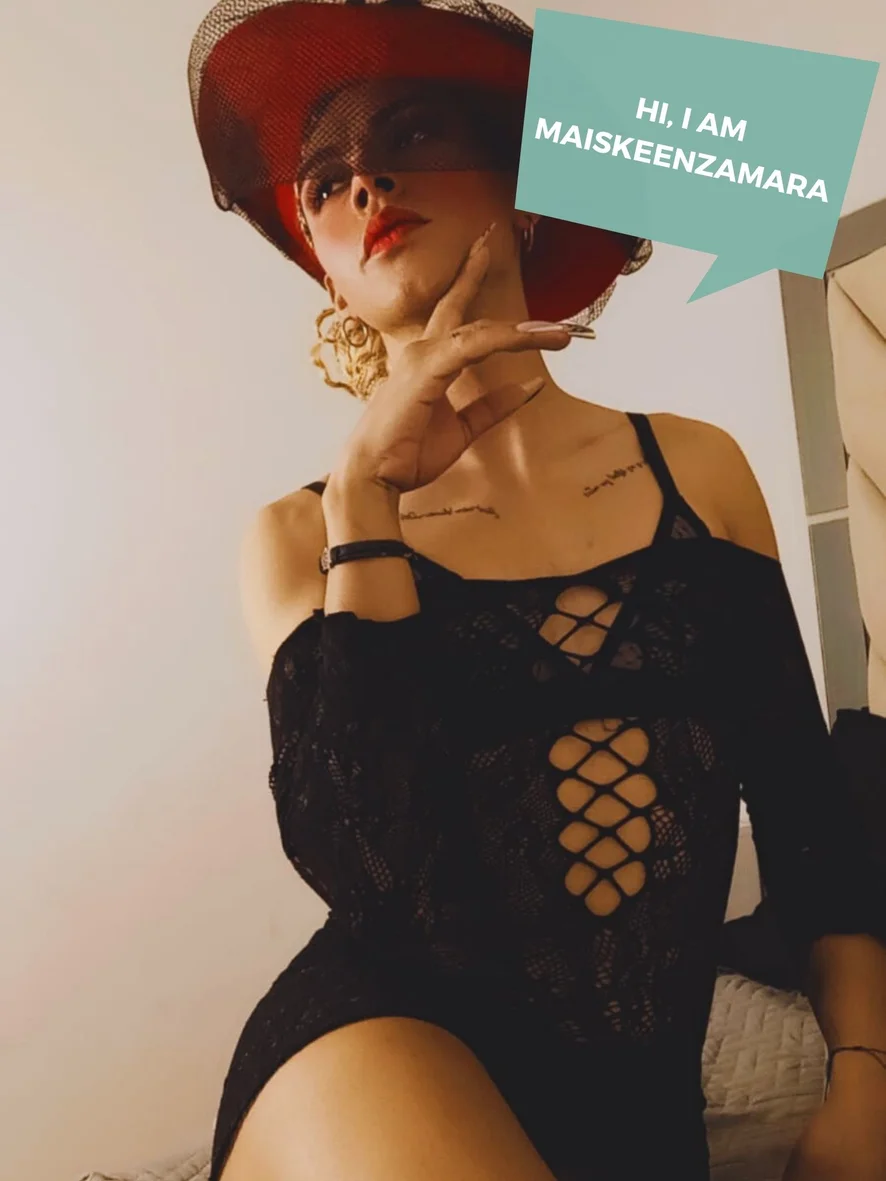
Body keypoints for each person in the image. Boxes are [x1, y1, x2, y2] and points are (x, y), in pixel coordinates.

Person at [187, 2, 886, 1179]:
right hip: (377, 1048)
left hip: (639, 1108)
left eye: (411, 133)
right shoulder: (299, 532)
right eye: (323, 182)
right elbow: (378, 882)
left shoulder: (696, 467)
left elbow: (807, 820)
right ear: (324, 266)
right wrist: (366, 501)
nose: (365, 183)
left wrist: (863, 1066)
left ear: (525, 191)